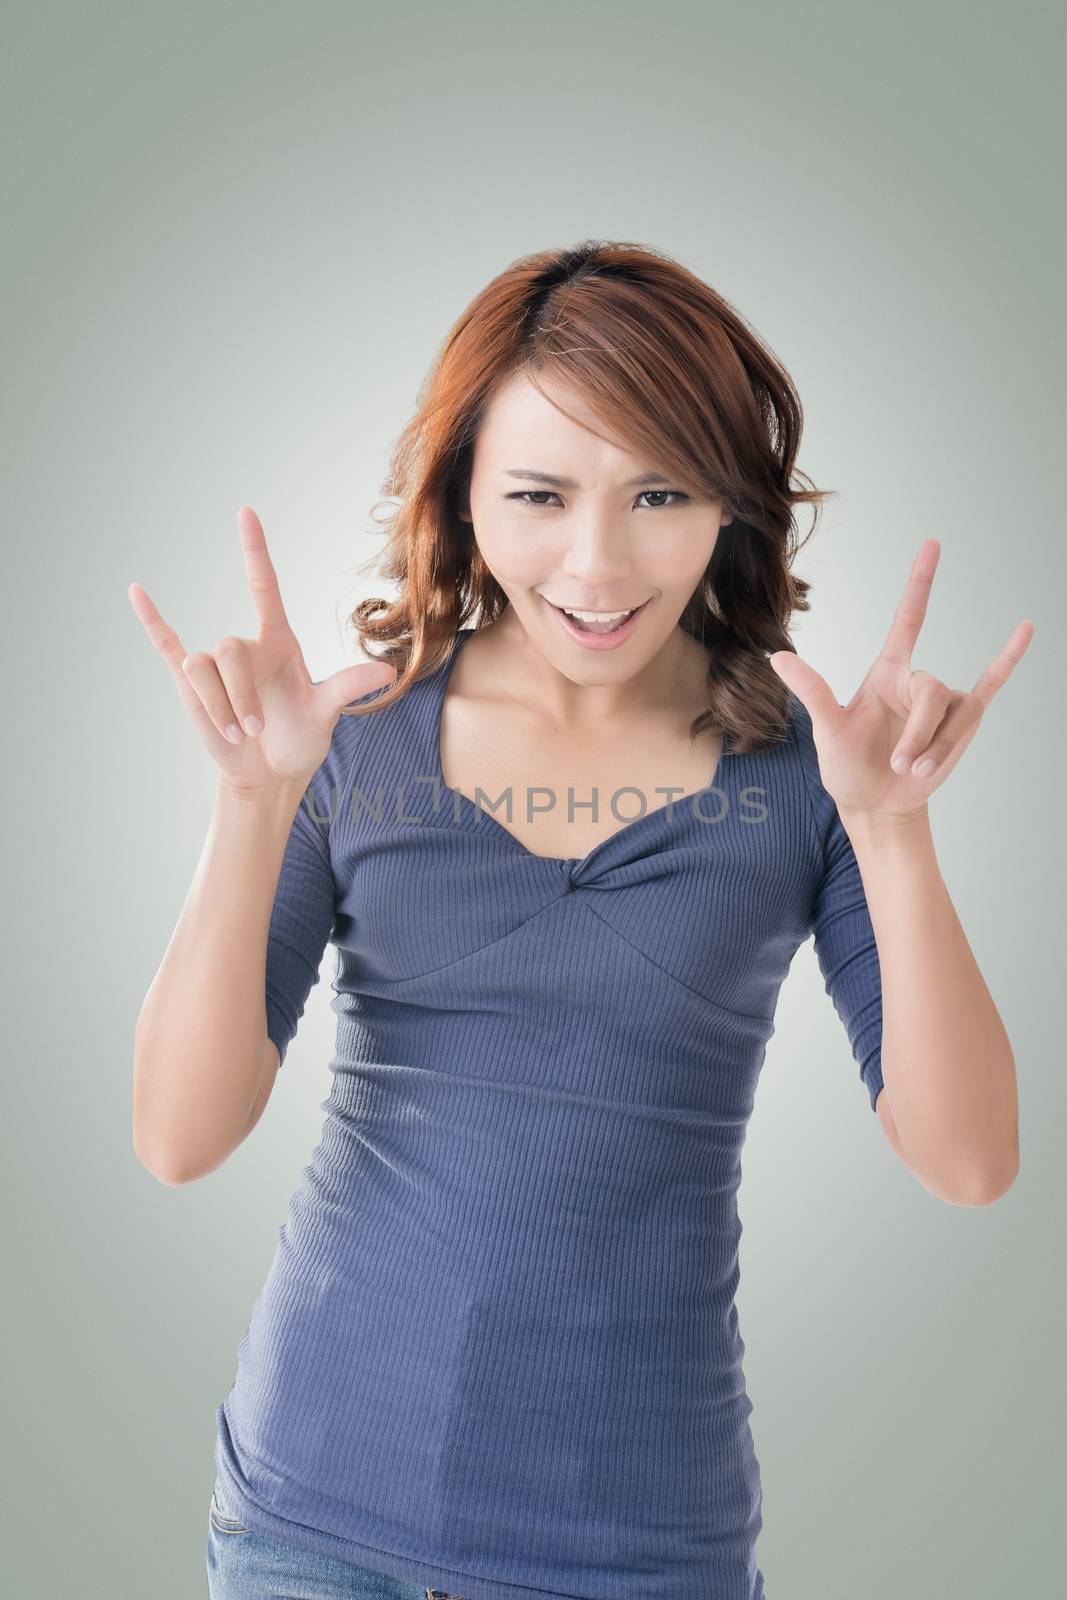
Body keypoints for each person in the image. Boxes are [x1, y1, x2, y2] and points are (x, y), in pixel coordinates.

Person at [129, 240, 1027, 1600]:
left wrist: (893, 831)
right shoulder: (349, 746)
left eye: (659, 491)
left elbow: (969, 1162)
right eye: (540, 494)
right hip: (312, 1521)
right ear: (463, 498)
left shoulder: (809, 778)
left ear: (731, 500)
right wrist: (255, 804)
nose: (598, 564)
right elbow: (179, 1139)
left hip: (636, 1546)